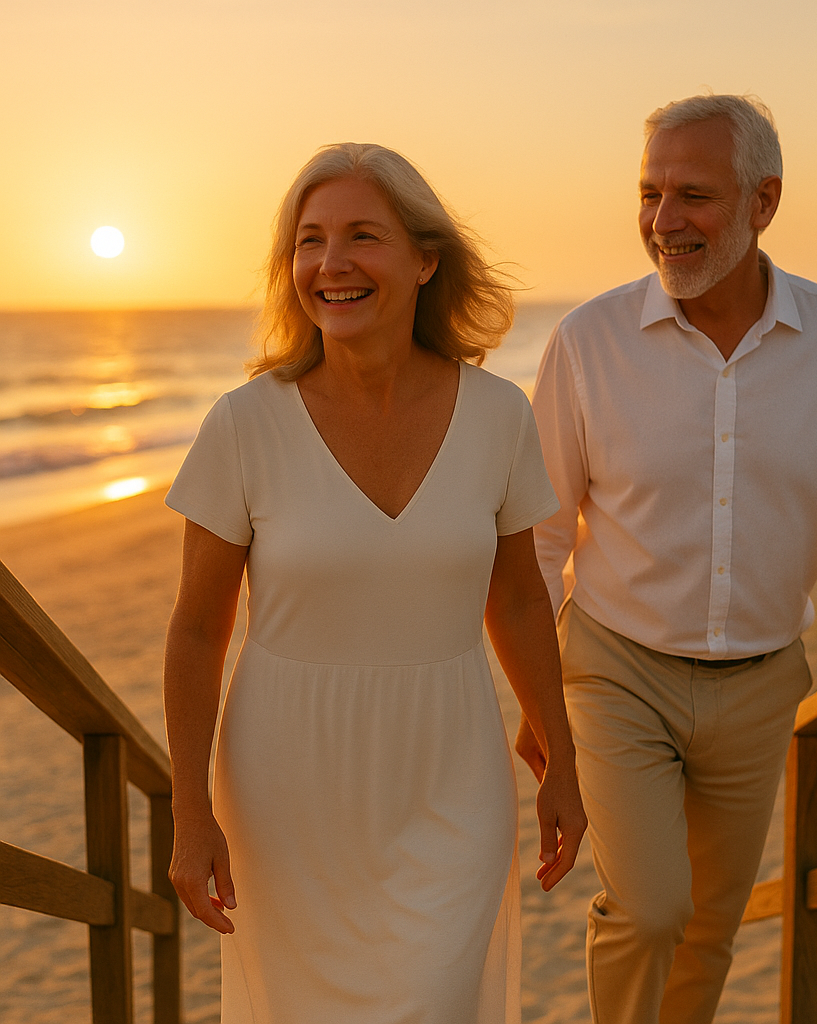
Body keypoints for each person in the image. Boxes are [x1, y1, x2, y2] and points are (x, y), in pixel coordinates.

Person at [520, 95, 817, 1024]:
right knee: (651, 910)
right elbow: (540, 537)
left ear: (764, 201)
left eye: (692, 195)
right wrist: (537, 700)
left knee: (710, 925)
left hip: (764, 682)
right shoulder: (588, 343)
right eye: (648, 193)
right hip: (615, 671)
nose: (662, 222)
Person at [162, 142, 587, 1024]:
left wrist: (561, 754)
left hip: (450, 772)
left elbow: (513, 599)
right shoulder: (246, 424)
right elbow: (198, 630)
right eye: (309, 241)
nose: (332, 264)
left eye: (363, 236)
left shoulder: (498, 415)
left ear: (426, 260)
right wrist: (189, 811)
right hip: (285, 787)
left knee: (435, 1002)